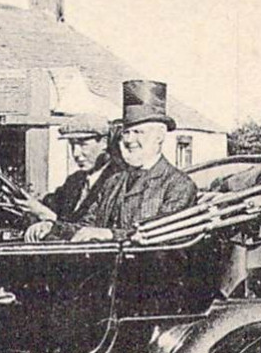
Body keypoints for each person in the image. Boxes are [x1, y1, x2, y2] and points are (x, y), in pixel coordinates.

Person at [26, 80, 197, 241]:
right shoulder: (113, 182)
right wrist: (52, 227)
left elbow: (160, 233)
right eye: (126, 133)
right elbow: (86, 226)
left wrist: (110, 234)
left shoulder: (178, 185)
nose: (129, 140)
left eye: (138, 132)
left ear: (159, 136)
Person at [40, 114, 115, 222]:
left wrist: (46, 215)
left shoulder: (116, 180)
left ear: (104, 142)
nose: (76, 153)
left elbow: (89, 226)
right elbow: (52, 203)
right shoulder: (75, 180)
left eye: (83, 144)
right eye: (72, 145)